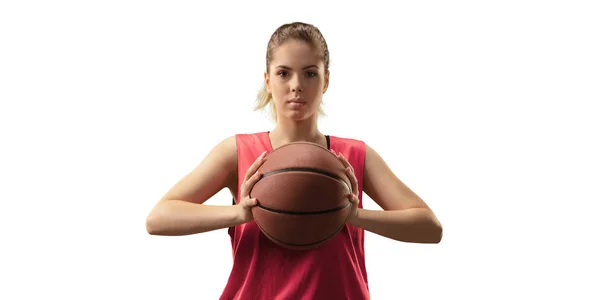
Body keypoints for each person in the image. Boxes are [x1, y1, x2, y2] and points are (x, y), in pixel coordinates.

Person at [146, 21, 443, 300]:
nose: (296, 85)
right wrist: (239, 214)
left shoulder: (353, 157)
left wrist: (355, 217)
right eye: (284, 73)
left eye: (310, 73)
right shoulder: (237, 152)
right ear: (267, 79)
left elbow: (431, 228)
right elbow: (158, 218)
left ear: (326, 80)